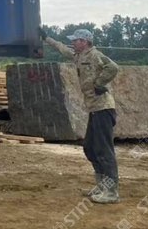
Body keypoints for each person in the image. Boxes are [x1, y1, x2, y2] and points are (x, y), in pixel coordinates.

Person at [41, 28, 120, 204]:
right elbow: (63, 49)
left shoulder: (94, 55)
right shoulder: (79, 56)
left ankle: (111, 191)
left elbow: (113, 67)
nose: (73, 43)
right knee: (90, 148)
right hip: (94, 109)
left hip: (103, 108)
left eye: (76, 40)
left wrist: (99, 83)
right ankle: (102, 186)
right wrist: (47, 38)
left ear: (84, 42)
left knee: (104, 150)